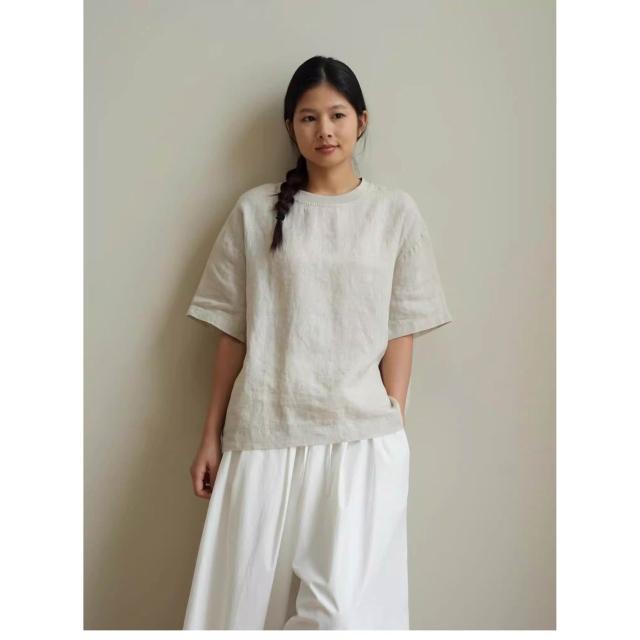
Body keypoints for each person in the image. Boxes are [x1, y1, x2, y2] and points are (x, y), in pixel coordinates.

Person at [182, 55, 453, 630]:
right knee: (244, 614)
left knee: (342, 618)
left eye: (337, 115)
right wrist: (211, 433)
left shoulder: (394, 213)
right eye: (308, 118)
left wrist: (394, 415)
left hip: (360, 441)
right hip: (265, 433)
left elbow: (401, 325)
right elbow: (232, 328)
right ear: (290, 127)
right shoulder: (255, 212)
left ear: (362, 121)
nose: (324, 130)